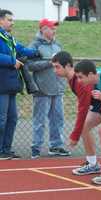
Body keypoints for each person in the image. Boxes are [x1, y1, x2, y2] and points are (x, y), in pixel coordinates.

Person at [27, 19, 71, 159]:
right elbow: (29, 65)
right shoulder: (34, 46)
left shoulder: (58, 45)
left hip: (57, 88)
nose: (54, 30)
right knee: (39, 120)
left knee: (58, 119)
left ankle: (56, 146)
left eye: (54, 28)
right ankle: (36, 147)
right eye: (52, 28)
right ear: (43, 29)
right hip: (42, 88)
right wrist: (48, 63)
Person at [0, 9, 40, 160]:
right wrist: (12, 61)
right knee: (1, 119)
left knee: (12, 118)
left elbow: (21, 49)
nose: (12, 22)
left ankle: (6, 149)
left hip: (11, 85)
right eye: (9, 20)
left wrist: (36, 52)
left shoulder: (9, 37)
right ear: (1, 20)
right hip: (1, 85)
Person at [51, 51, 93, 147]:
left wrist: (75, 136)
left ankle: (95, 161)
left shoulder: (79, 82)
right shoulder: (72, 80)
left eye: (57, 67)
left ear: (68, 65)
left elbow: (83, 109)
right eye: (53, 67)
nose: (54, 70)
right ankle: (92, 161)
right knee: (89, 128)